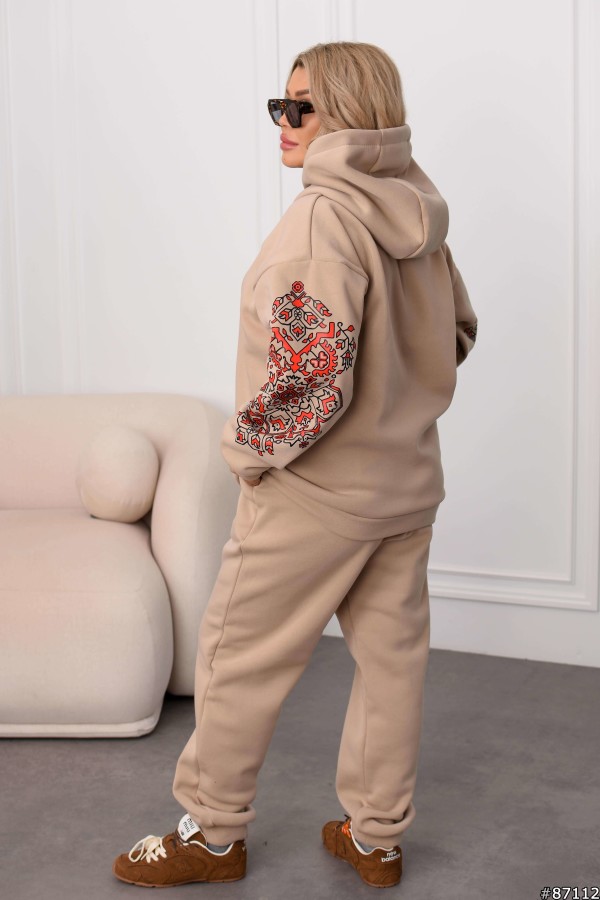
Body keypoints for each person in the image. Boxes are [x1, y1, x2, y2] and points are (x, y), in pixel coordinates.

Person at [112, 40, 477, 890]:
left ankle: (212, 836)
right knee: (392, 669)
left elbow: (313, 379)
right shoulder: (418, 206)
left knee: (238, 658)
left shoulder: (322, 219)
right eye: (280, 106)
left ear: (344, 113)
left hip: (315, 494)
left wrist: (246, 452)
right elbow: (457, 331)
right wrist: (401, 397)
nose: (283, 122)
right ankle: (377, 839)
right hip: (406, 488)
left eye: (301, 107)